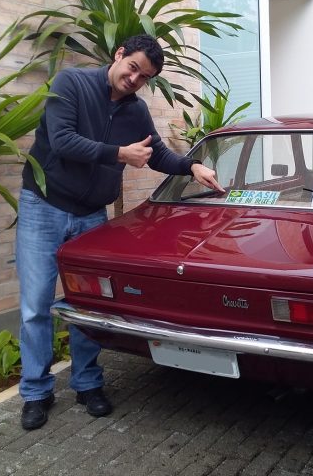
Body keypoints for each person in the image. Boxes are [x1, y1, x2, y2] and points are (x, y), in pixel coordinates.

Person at [16, 34, 223, 430]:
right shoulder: (72, 83)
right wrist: (118, 154)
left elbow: (155, 152)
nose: (134, 80)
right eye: (133, 68)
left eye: (144, 77)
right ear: (119, 55)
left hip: (91, 213)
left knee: (90, 304)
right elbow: (61, 141)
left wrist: (191, 166)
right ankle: (36, 392)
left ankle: (87, 383)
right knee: (36, 305)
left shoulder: (135, 111)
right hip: (44, 206)